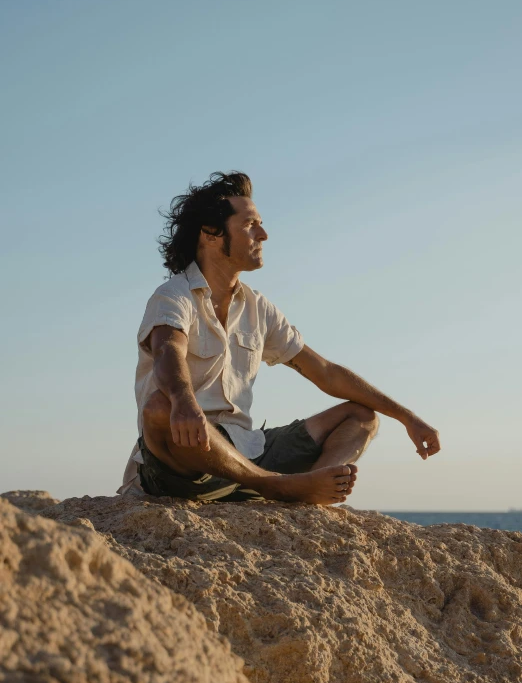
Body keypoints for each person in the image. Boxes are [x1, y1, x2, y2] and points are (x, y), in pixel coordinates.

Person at [117, 171, 440, 505]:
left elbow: (326, 372)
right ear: (211, 234)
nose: (264, 234)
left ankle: (307, 490)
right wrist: (184, 402)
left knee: (361, 416)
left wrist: (406, 417)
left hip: (248, 452)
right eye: (250, 225)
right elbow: (168, 349)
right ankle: (277, 487)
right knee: (159, 408)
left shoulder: (258, 307)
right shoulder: (173, 296)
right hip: (186, 461)